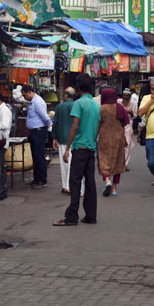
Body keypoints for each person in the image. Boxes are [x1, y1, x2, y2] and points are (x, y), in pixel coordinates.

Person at [53, 74, 100, 226]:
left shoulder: (78, 104)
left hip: (79, 147)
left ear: (79, 88)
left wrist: (67, 148)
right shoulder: (95, 105)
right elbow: (98, 125)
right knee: (90, 182)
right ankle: (90, 215)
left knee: (75, 182)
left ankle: (72, 216)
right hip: (90, 147)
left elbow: (75, 126)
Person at [98, 88, 129, 196]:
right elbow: (126, 121)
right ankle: (114, 188)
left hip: (104, 137)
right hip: (118, 137)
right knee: (118, 160)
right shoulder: (119, 107)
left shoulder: (101, 109)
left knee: (104, 159)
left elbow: (98, 124)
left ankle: (107, 180)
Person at [22, 84, 52, 188]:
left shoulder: (38, 102)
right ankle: (37, 178)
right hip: (35, 131)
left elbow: (45, 116)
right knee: (35, 156)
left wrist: (49, 126)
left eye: (25, 95)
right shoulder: (33, 102)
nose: (24, 98)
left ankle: (42, 180)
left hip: (39, 131)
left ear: (30, 92)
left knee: (39, 156)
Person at [53, 87, 78, 194]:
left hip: (61, 137)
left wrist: (54, 138)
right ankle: (69, 186)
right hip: (73, 138)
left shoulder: (59, 107)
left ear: (66, 95)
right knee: (71, 162)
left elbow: (55, 123)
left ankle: (65, 185)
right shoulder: (76, 106)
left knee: (63, 162)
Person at [119, 88, 138, 170]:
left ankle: (124, 164)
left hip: (128, 124)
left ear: (130, 96)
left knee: (126, 144)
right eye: (124, 95)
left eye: (127, 95)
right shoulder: (119, 102)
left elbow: (136, 115)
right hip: (119, 124)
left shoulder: (133, 103)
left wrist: (130, 112)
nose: (125, 97)